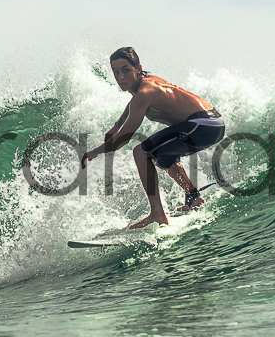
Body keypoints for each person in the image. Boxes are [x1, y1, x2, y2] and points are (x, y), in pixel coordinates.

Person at [80, 47, 225, 229]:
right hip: (213, 123)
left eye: (125, 70)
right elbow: (127, 112)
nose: (121, 77)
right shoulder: (145, 86)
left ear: (138, 68)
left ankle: (157, 214)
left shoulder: (144, 93)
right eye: (116, 72)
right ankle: (194, 198)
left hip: (203, 124)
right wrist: (113, 130)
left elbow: (124, 137)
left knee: (141, 152)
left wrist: (94, 152)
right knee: (162, 154)